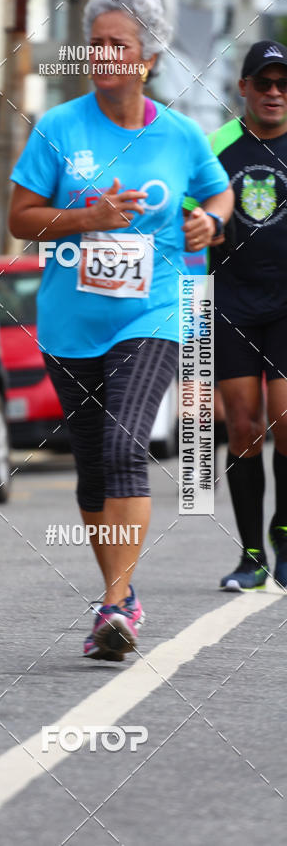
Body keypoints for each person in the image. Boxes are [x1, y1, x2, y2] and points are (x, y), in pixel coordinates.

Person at [8, 0, 233, 660]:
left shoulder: (180, 133)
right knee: (91, 469)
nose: (104, 55)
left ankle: (114, 604)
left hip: (153, 310)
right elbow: (20, 218)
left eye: (119, 45)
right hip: (70, 323)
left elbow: (217, 190)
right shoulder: (59, 128)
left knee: (123, 445)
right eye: (96, 43)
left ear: (150, 57)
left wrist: (210, 220)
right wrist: (86, 218)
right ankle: (122, 595)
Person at [207, 41, 287, 592]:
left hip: (286, 304)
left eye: (284, 84)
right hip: (231, 304)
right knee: (242, 428)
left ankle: (285, 539)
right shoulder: (214, 148)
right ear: (244, 88)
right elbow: (191, 222)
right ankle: (251, 554)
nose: (275, 93)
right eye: (264, 83)